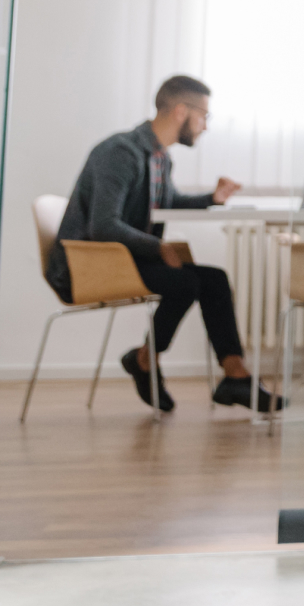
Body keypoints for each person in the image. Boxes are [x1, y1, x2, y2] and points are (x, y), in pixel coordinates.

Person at [47, 75, 279, 412]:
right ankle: (145, 359)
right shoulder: (120, 153)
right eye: (205, 116)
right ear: (182, 111)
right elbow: (103, 226)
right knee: (185, 283)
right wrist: (158, 248)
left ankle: (235, 375)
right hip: (87, 265)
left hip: (123, 258)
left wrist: (212, 198)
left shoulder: (159, 157)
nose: (206, 126)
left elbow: (167, 203)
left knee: (214, 279)